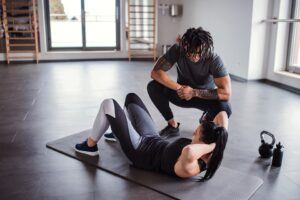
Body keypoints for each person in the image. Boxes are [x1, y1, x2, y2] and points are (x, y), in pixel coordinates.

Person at [75, 93, 228, 180]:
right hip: (152, 137)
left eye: (196, 133)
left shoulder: (191, 165)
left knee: (108, 103)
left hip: (139, 150)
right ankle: (118, 132)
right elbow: (222, 113)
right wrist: (219, 140)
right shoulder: (204, 150)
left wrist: (213, 146)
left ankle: (90, 146)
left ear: (204, 143)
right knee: (131, 98)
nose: (193, 133)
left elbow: (188, 151)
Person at [147, 27, 232, 138]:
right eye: (191, 52)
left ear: (205, 48)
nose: (195, 57)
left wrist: (193, 92)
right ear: (184, 46)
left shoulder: (214, 59)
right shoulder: (178, 49)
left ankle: (206, 120)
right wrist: (179, 88)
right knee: (153, 86)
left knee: (226, 108)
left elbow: (226, 93)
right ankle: (172, 125)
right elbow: (155, 72)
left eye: (199, 53)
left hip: (204, 97)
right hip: (181, 94)